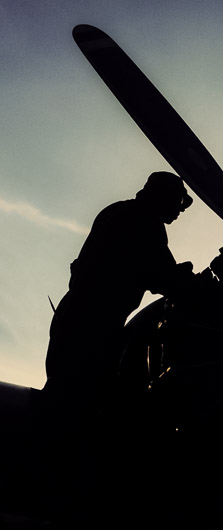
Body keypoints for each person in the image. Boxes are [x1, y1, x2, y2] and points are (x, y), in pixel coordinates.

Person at [44, 171, 195, 410]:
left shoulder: (118, 211)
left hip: (73, 316)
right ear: (162, 196)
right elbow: (160, 274)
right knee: (80, 401)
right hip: (94, 324)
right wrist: (190, 284)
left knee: (64, 394)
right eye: (178, 202)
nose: (180, 211)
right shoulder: (143, 221)